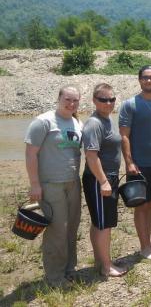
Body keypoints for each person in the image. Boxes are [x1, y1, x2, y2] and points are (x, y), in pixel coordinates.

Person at [24, 85, 82, 287]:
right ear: (59, 98)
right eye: (67, 99)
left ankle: (69, 268)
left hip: (74, 183)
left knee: (72, 227)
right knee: (57, 230)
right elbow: (31, 154)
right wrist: (34, 184)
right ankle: (55, 277)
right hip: (51, 184)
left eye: (75, 100)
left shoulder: (76, 122)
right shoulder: (43, 121)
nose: (71, 103)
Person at [119, 65, 151, 260]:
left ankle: (148, 241)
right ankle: (143, 247)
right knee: (141, 206)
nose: (149, 81)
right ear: (139, 80)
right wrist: (129, 162)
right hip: (138, 165)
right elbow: (124, 136)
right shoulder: (130, 104)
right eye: (145, 78)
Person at [82, 83, 126, 277]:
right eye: (103, 99)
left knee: (98, 222)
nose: (108, 103)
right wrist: (103, 181)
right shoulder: (94, 123)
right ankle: (107, 267)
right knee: (104, 224)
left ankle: (101, 260)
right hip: (99, 179)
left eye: (112, 99)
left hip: (108, 177)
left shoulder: (106, 119)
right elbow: (91, 156)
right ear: (94, 100)